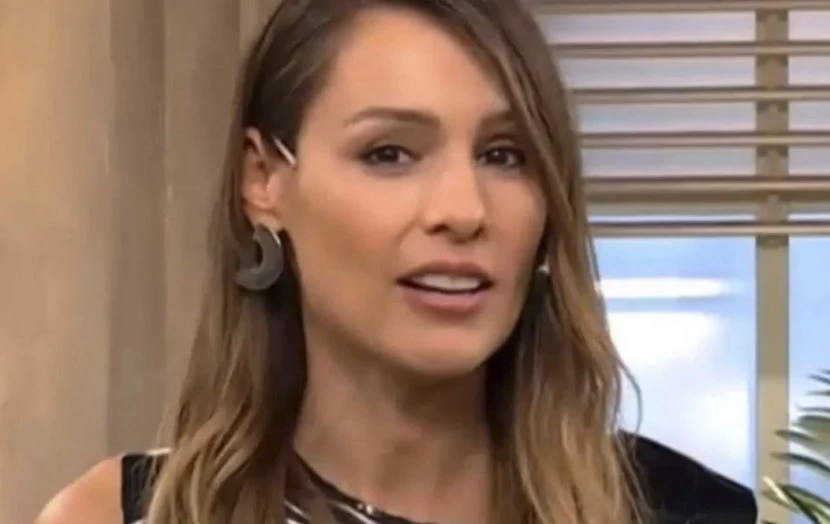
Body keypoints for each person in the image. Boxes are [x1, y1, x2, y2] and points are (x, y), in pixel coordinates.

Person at [37, 0, 758, 523]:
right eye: (389, 153)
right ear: (263, 179)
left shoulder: (683, 511)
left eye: (505, 155)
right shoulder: (125, 514)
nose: (464, 210)